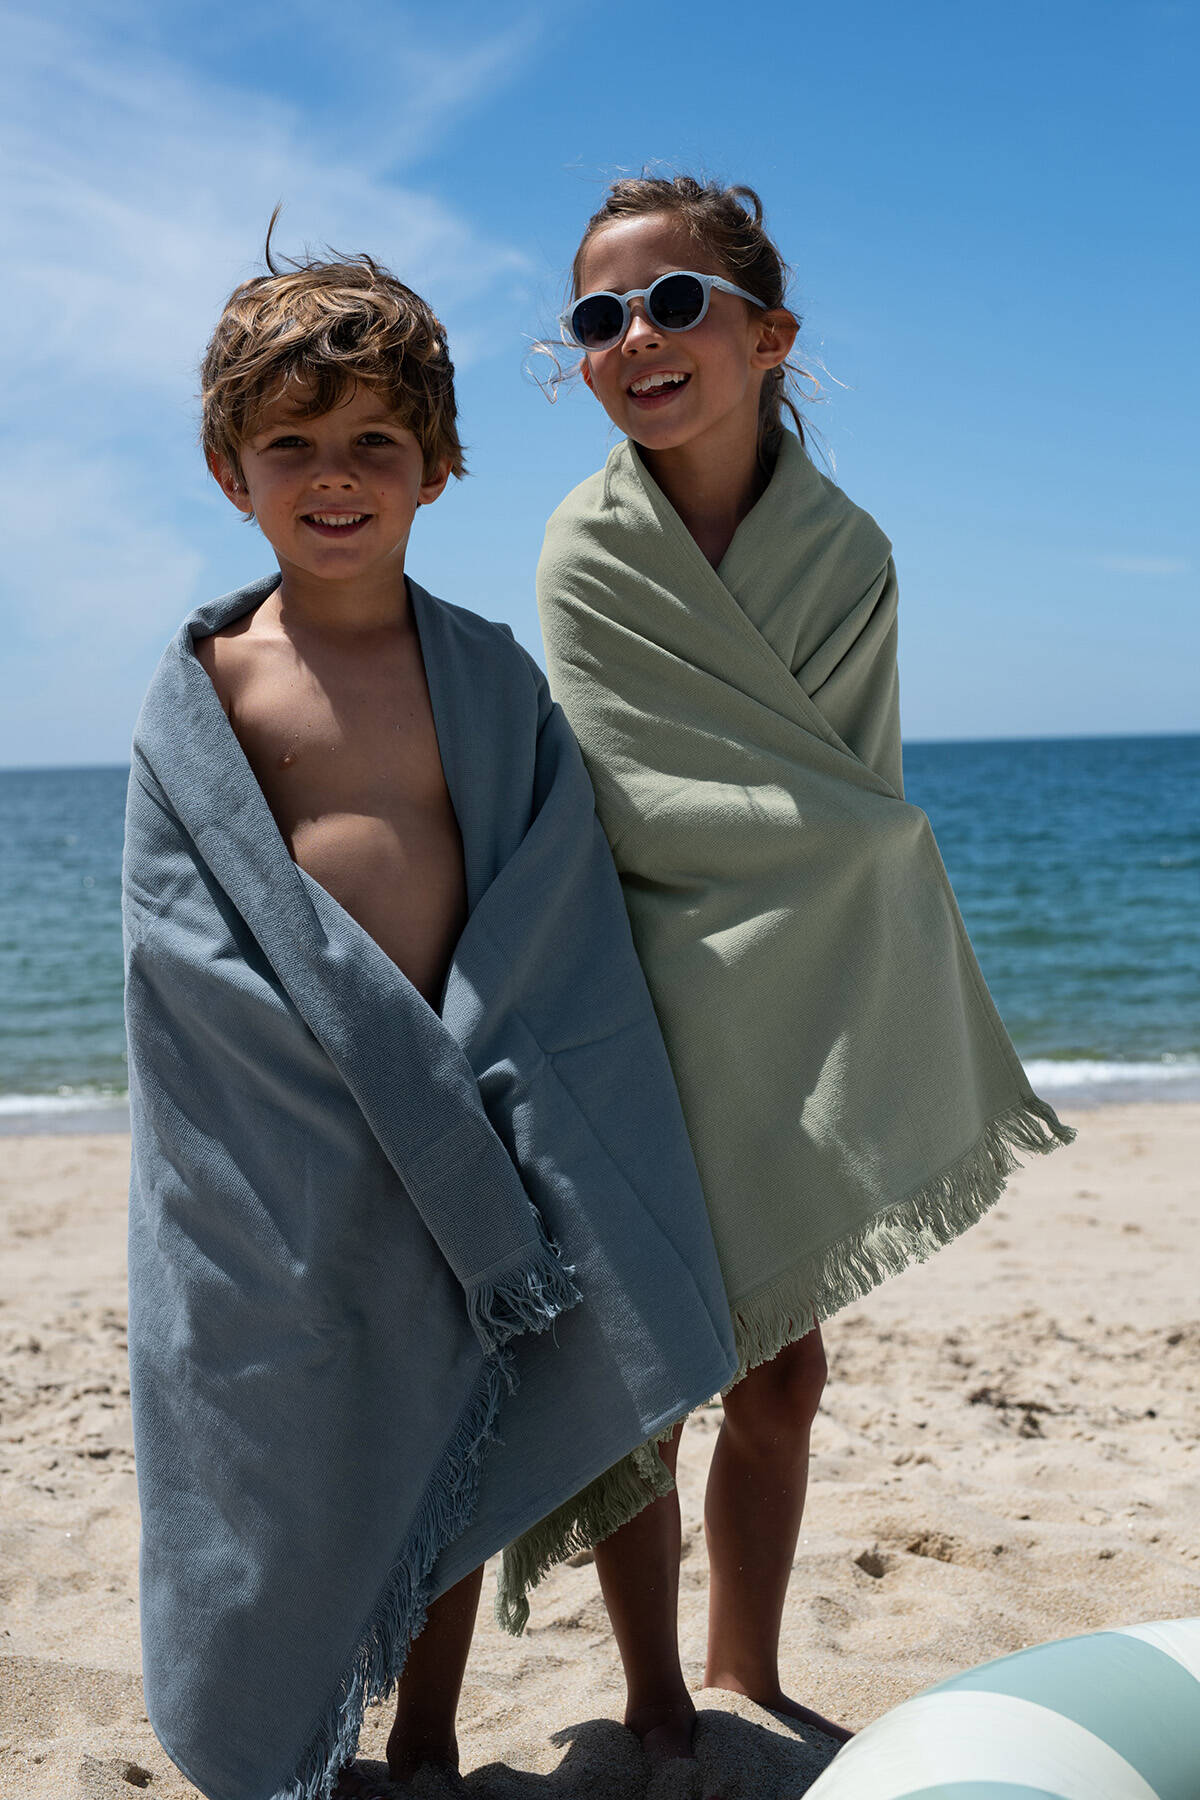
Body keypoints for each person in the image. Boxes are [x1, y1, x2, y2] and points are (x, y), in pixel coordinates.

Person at [122, 241, 736, 1800]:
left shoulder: (484, 674)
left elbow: (549, 900)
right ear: (228, 470)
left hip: (480, 1111)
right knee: (320, 1451)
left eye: (374, 445)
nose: (336, 480)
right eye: (294, 448)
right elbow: (196, 947)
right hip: (308, 1139)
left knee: (490, 1413)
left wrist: (479, 1088)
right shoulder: (214, 689)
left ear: (438, 467)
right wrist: (356, 1087)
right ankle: (314, 1726)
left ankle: (453, 1734)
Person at [516, 173, 1075, 1762]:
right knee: (645, 1383)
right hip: (637, 994)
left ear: (768, 335)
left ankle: (746, 1668)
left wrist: (859, 854)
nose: (638, 338)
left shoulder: (850, 552)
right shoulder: (585, 551)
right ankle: (653, 1700)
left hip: (798, 1000)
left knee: (787, 1366)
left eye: (677, 300)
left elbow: (842, 792)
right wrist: (855, 847)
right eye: (600, 319)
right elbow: (650, 799)